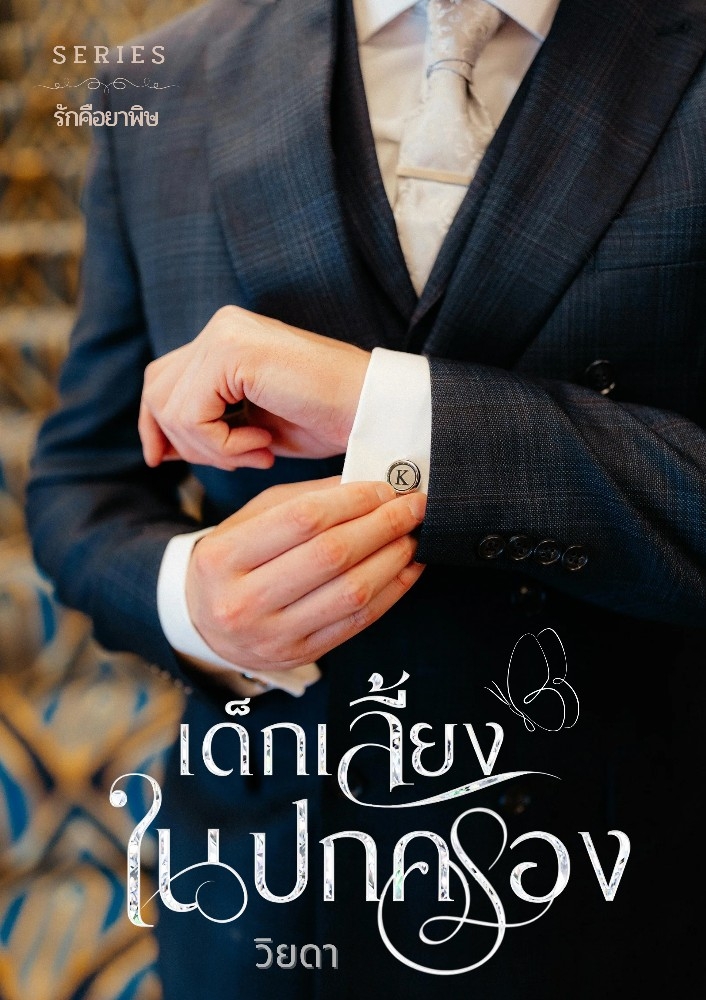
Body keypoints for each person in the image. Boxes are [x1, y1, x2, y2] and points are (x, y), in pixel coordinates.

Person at [27, 0, 706, 997]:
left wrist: (389, 409)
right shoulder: (161, 80)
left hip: (630, 889)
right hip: (267, 893)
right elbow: (81, 484)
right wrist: (192, 600)